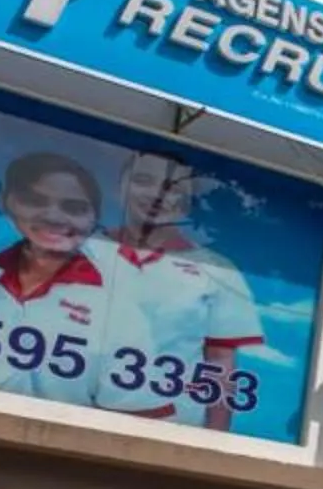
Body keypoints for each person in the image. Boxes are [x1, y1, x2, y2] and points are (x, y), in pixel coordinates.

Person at [95, 150, 263, 430]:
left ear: (186, 204)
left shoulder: (218, 272)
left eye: (172, 188)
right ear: (120, 188)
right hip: (75, 415)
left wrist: (214, 443)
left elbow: (220, 364)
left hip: (170, 427)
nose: (157, 194)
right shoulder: (84, 249)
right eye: (143, 180)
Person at [0, 152, 112, 404]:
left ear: (94, 219)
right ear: (6, 202)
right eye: (34, 200)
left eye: (74, 207)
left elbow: (137, 417)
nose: (53, 217)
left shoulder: (118, 306)